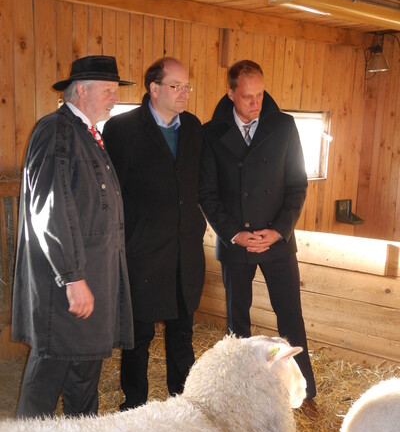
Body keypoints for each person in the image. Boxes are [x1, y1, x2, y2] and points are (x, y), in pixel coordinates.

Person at [12, 55, 135, 419]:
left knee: (83, 382)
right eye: (109, 91)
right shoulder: (56, 130)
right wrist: (72, 276)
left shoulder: (86, 134)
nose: (115, 98)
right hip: (65, 288)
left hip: (89, 285)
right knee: (46, 382)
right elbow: (51, 207)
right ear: (81, 91)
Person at [198, 59, 317, 406]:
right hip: (236, 243)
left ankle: (305, 393)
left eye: (260, 94)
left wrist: (279, 231)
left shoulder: (284, 126)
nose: (256, 103)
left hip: (277, 241)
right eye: (247, 96)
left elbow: (297, 184)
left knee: (291, 317)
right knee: (237, 322)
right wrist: (234, 234)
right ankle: (242, 396)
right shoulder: (210, 133)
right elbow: (207, 192)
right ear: (231, 93)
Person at [102, 57, 206, 410]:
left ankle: (183, 406)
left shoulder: (193, 128)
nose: (184, 93)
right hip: (142, 254)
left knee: (182, 334)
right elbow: (112, 193)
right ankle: (135, 407)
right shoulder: (122, 129)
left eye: (187, 86)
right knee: (138, 338)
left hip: (183, 252)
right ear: (154, 88)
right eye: (176, 86)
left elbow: (199, 185)